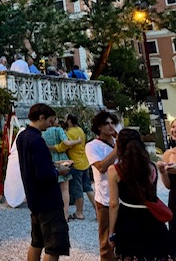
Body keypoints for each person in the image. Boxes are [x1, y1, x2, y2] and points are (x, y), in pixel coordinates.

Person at [108, 128, 174, 260]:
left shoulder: (115, 170)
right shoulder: (152, 166)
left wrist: (111, 231)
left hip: (128, 219)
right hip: (152, 218)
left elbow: (114, 203)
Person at [17, 103, 71, 261]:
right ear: (41, 118)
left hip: (34, 197)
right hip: (48, 200)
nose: (52, 124)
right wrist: (59, 171)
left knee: (37, 242)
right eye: (50, 120)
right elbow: (44, 175)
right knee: (53, 247)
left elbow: (33, 166)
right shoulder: (38, 140)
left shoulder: (22, 136)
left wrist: (53, 165)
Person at [85, 111, 118, 261]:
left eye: (113, 123)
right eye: (107, 123)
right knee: (106, 239)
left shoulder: (119, 142)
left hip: (124, 197)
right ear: (99, 127)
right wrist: (118, 150)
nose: (111, 126)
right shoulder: (92, 146)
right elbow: (101, 166)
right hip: (105, 198)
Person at [60, 113, 96, 221]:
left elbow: (63, 146)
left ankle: (79, 212)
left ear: (69, 121)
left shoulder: (69, 133)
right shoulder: (80, 130)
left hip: (75, 163)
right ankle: (98, 209)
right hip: (84, 161)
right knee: (88, 187)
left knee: (77, 189)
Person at [43, 117, 79, 220]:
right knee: (65, 189)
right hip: (62, 158)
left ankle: (52, 213)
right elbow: (66, 142)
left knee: (51, 187)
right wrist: (77, 141)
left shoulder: (43, 133)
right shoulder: (58, 130)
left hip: (50, 159)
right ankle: (65, 214)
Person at [158, 129, 176, 250]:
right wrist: (163, 172)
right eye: (173, 127)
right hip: (175, 198)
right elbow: (168, 185)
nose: (174, 130)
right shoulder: (168, 154)